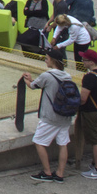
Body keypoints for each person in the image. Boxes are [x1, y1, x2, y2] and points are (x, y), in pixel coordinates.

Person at [21, 49, 73, 182]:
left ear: (52, 60)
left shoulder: (47, 75)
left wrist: (28, 79)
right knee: (63, 144)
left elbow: (33, 86)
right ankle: (60, 173)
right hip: (65, 116)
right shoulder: (67, 76)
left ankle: (47, 172)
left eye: (46, 58)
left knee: (38, 141)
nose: (45, 60)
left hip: (50, 116)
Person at [73, 58, 97, 179]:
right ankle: (95, 164)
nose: (82, 62)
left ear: (91, 62)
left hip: (91, 112)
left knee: (96, 141)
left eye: (84, 60)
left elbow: (83, 98)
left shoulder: (89, 77)